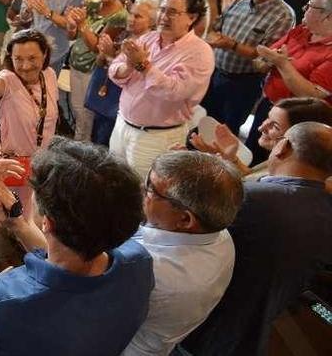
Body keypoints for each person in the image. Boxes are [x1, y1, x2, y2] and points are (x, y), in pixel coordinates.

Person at [0, 138, 153, 356]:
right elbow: (70, 257)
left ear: (47, 222)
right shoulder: (139, 263)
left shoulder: (6, 302)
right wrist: (20, 225)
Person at [183, 122, 332, 356]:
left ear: (283, 147)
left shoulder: (253, 199)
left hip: (208, 323)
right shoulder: (324, 207)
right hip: (261, 332)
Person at [123, 152, 243, 355]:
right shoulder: (219, 234)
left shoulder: (153, 270)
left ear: (185, 220)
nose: (142, 190)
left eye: (151, 189)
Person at [0, 29, 58, 263]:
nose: (25, 66)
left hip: (35, 159)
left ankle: (20, 233)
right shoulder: (8, 78)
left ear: (45, 55)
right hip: (7, 158)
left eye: (32, 58)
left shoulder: (50, 76)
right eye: (19, 59)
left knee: (25, 201)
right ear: (10, 58)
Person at [108, 0, 215, 177]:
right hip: (122, 124)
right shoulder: (148, 38)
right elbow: (115, 68)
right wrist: (129, 66)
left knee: (145, 192)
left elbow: (175, 91)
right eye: (162, 10)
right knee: (114, 180)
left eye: (172, 12)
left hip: (155, 137)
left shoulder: (200, 52)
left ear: (192, 17)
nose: (164, 16)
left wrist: (143, 65)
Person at [202, 0, 295, 135]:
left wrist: (232, 45)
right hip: (215, 73)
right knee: (202, 121)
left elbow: (266, 57)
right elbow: (217, 27)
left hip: (242, 83)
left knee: (225, 131)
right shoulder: (240, 3)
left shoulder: (284, 15)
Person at [246, 0, 332, 161]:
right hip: (270, 107)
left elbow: (313, 95)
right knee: (252, 151)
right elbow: (263, 57)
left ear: (327, 16)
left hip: (297, 122)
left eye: (310, 6)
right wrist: (265, 62)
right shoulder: (300, 30)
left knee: (278, 161)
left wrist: (282, 64)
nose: (303, 8)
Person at [190, 97, 332, 181]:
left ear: (301, 136)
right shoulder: (282, 159)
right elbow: (251, 177)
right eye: (267, 118)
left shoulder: (289, 178)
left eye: (274, 126)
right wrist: (230, 157)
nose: (261, 128)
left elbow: (245, 188)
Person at [66, 0, 129, 142]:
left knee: (86, 114)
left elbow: (97, 47)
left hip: (93, 70)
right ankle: (78, 142)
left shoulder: (120, 17)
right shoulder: (92, 5)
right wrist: (71, 25)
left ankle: (82, 148)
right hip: (76, 63)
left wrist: (83, 25)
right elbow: (71, 36)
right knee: (77, 108)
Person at [92, 0, 160, 146]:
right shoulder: (123, 34)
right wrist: (105, 54)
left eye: (138, 16)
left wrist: (110, 56)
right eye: (131, 14)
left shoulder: (151, 46)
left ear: (152, 21)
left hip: (123, 107)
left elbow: (132, 77)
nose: (131, 19)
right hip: (105, 100)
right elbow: (99, 62)